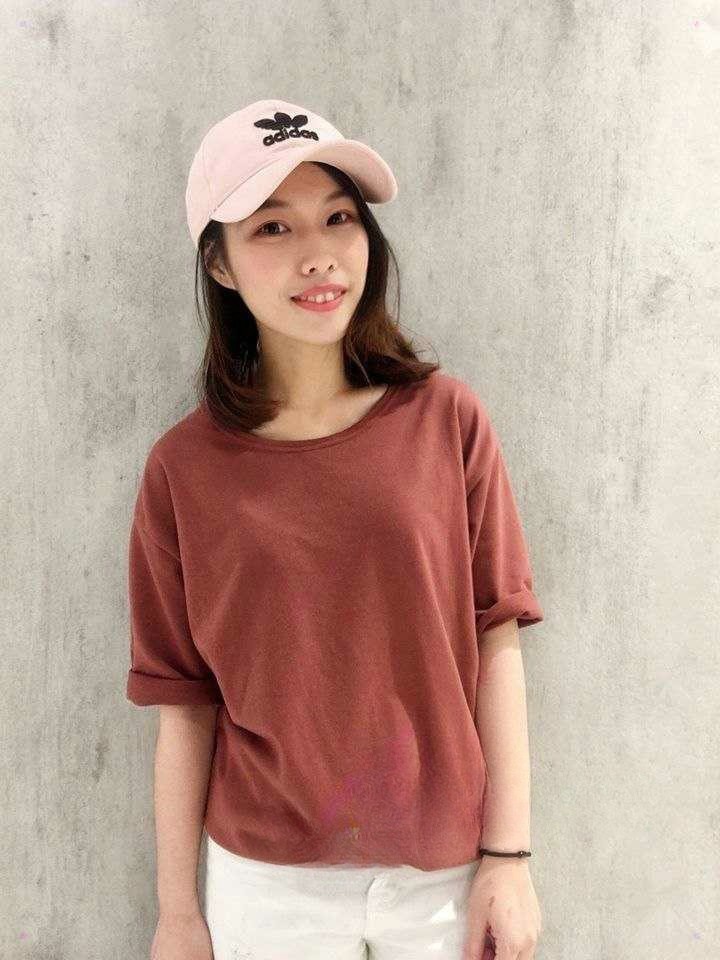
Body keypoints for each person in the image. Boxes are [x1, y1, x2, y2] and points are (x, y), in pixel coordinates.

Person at [126, 98, 544, 960]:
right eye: (272, 227)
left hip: (443, 879)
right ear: (220, 263)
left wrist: (509, 860)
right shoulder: (183, 469)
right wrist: (178, 914)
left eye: (339, 217)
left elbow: (496, 638)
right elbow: (183, 704)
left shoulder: (447, 420)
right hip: (265, 885)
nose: (317, 253)